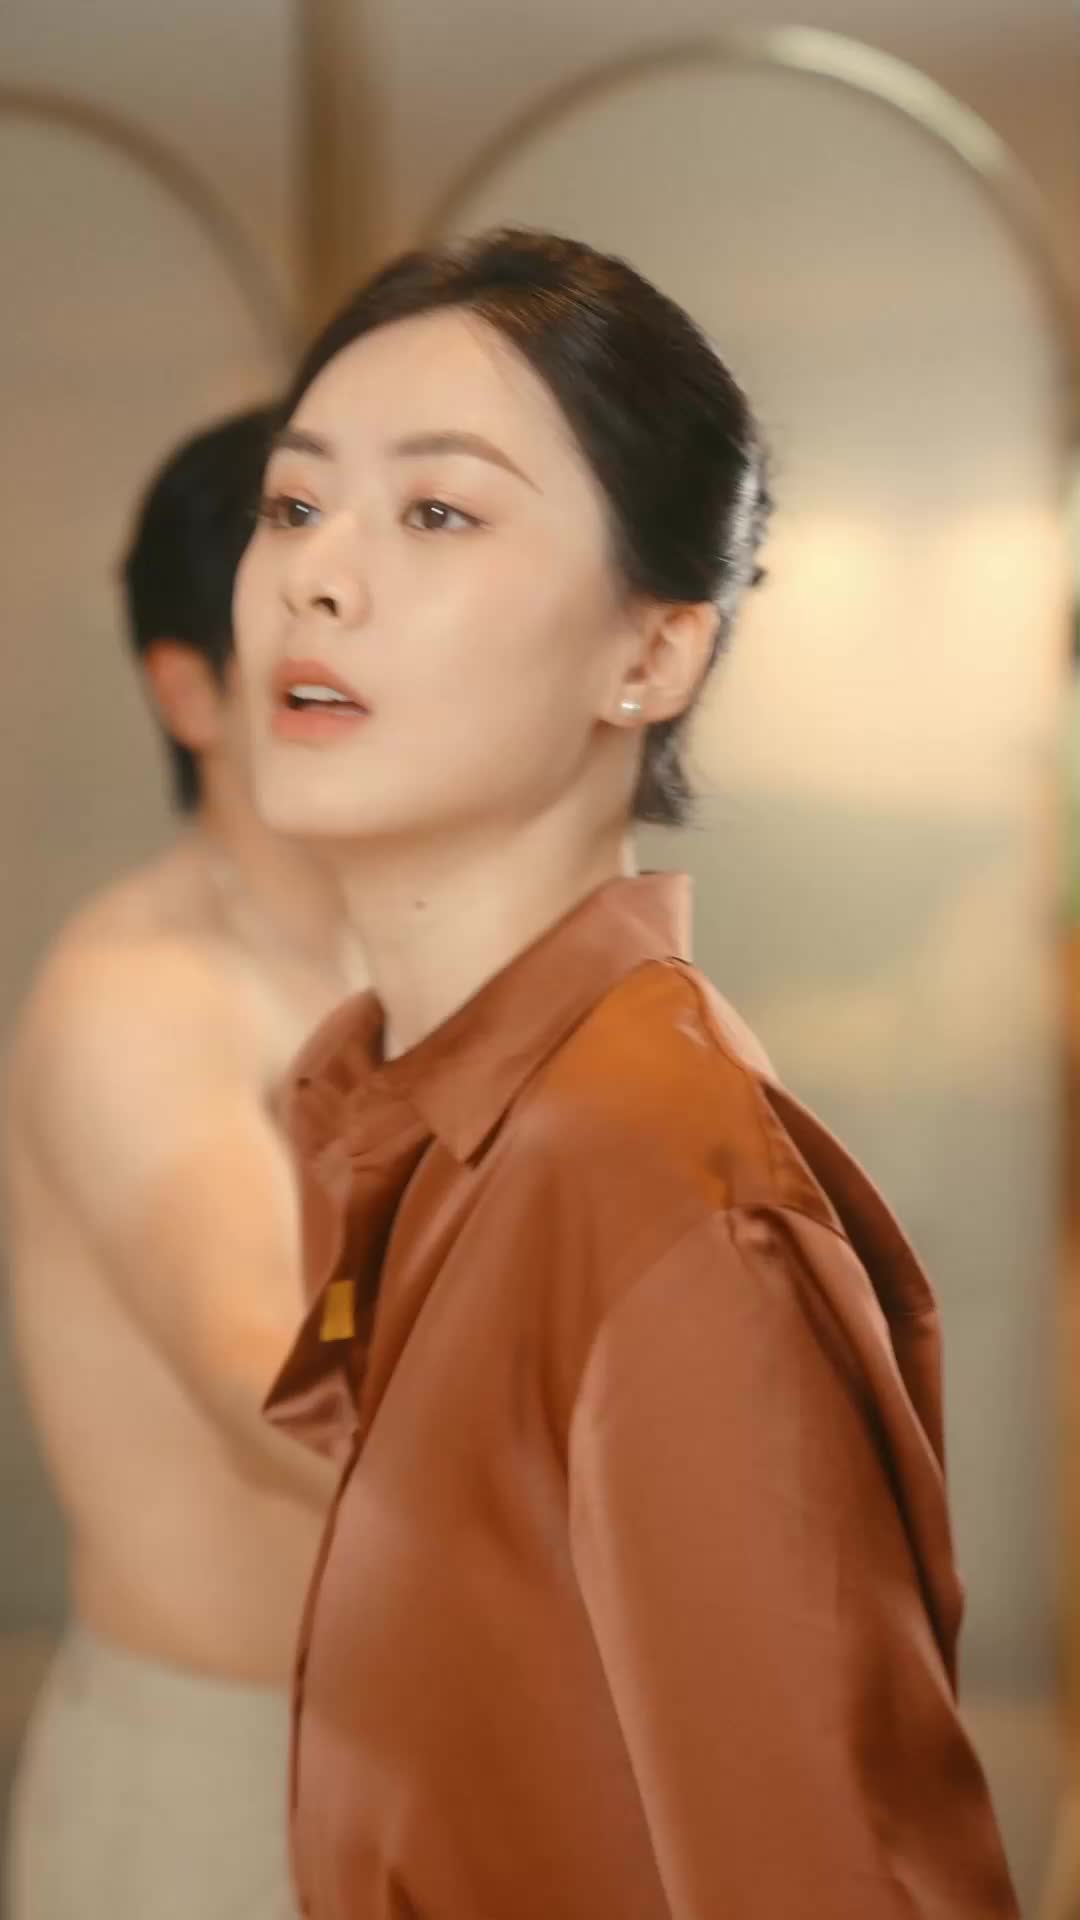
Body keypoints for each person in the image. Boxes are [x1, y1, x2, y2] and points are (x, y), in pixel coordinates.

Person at [234, 228, 1020, 1918]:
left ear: (653, 655)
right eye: (294, 504)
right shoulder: (429, 1125)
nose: (316, 577)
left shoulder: (657, 1191)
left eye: (437, 513)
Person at [4, 409, 365, 1920]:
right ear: (185, 690)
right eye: (306, 635)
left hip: (409, 1751)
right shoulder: (137, 994)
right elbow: (279, 1384)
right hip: (216, 1783)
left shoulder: (405, 962)